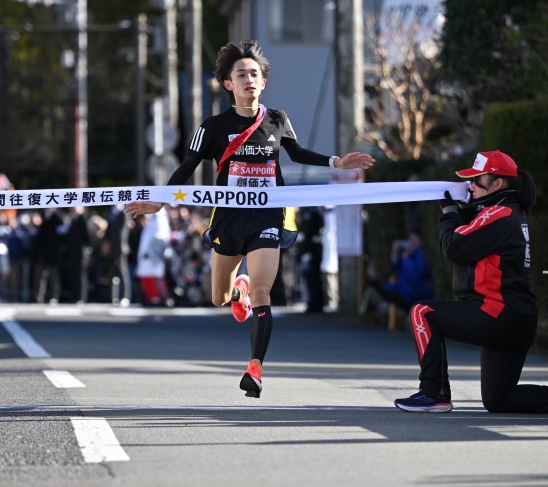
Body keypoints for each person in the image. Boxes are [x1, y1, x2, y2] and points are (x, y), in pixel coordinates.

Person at [125, 39, 374, 398]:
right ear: (228, 84)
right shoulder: (212, 126)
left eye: (255, 74)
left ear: (264, 82)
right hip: (228, 218)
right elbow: (187, 167)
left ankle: (254, 368)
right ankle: (236, 289)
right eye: (241, 74)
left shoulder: (277, 120)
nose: (249, 80)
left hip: (268, 216)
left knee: (262, 291)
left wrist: (337, 162)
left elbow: (298, 153)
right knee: (218, 297)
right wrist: (159, 202)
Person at [394, 150, 548, 414]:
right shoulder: (509, 212)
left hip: (495, 313)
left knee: (422, 312)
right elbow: (473, 243)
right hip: (515, 318)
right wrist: (461, 214)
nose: (470, 186)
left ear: (497, 183)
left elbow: (453, 247)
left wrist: (449, 213)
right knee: (499, 399)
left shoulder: (497, 214)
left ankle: (434, 393)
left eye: (477, 180)